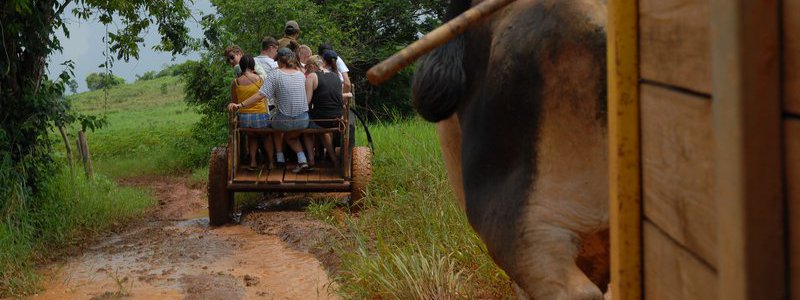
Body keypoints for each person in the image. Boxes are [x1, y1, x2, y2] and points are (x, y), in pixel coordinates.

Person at [230, 48, 311, 174]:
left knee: (274, 125)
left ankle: (279, 157)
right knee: (290, 135)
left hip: (284, 121)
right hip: (303, 120)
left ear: (279, 61)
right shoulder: (300, 74)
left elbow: (260, 95)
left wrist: (240, 105)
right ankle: (302, 160)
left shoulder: (275, 74)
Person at [229, 55, 274, 170]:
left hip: (244, 118)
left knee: (252, 137)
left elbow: (234, 101)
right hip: (260, 115)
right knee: (266, 136)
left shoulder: (236, 82)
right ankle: (271, 162)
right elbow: (267, 96)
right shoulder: (260, 79)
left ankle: (253, 162)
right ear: (253, 66)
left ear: (241, 66)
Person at [304, 52, 344, 167]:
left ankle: (310, 159)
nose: (306, 71)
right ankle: (333, 159)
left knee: (305, 127)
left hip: (322, 119)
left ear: (312, 66)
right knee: (322, 130)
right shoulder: (336, 76)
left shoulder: (312, 77)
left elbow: (307, 102)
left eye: (307, 67)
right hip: (337, 117)